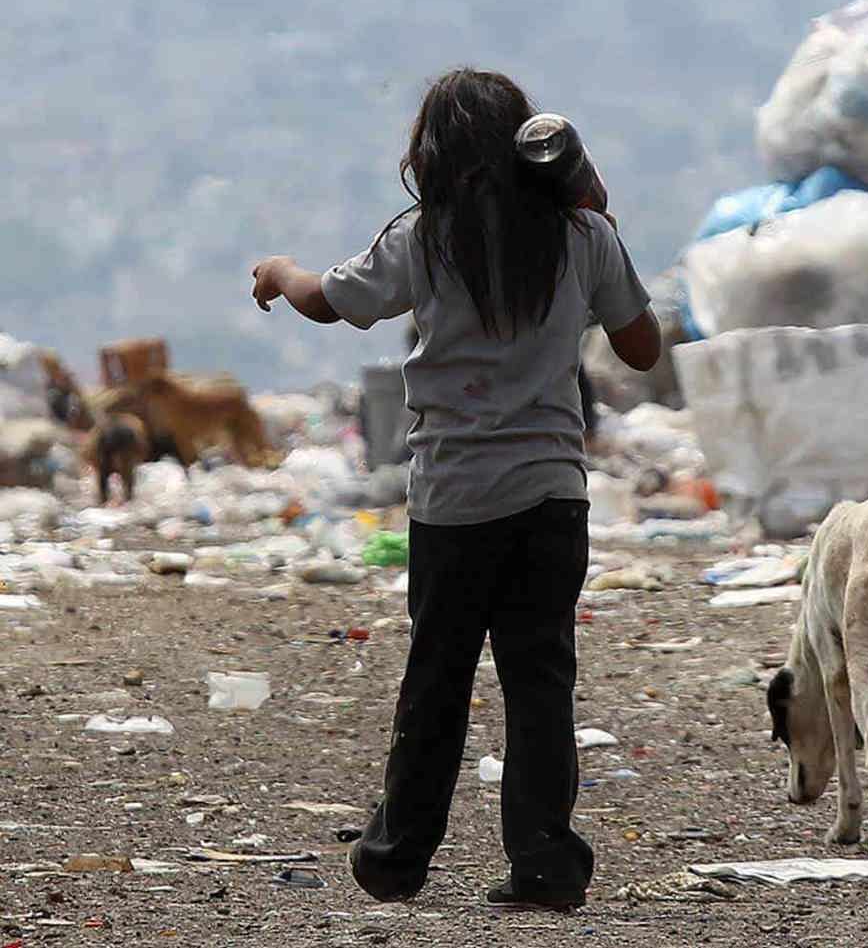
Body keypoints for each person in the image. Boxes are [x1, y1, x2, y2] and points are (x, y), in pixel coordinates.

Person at [250, 68, 661, 910]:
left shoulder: (425, 236)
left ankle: (397, 858)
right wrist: (603, 229)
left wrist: (280, 270)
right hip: (553, 496)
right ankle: (546, 867)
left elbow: (331, 301)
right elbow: (644, 348)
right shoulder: (581, 236)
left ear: (432, 153)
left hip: (455, 499)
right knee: (540, 681)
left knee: (437, 677)